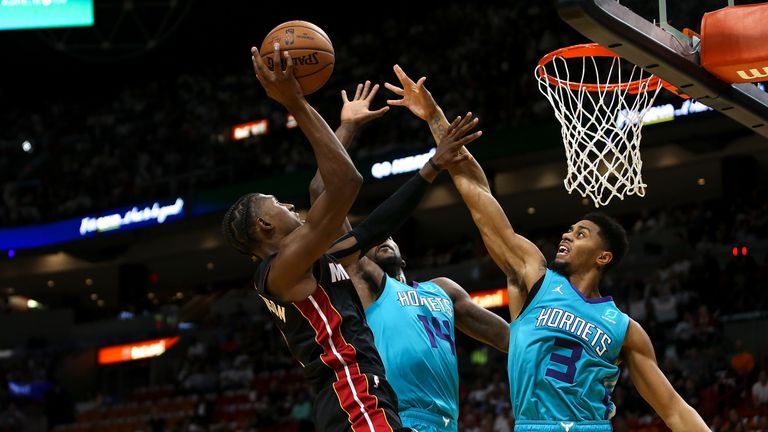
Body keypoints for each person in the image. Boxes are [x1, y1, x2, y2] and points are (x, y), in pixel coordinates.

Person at [384, 64, 709, 432]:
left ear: (604, 257)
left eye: (582, 233)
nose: (567, 235)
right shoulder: (533, 278)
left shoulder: (625, 329)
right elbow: (478, 195)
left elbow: (673, 408)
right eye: (569, 230)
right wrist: (434, 117)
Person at [222, 45, 470, 432]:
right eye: (276, 204)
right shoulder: (280, 272)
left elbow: (367, 224)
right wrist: (295, 102)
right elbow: (344, 183)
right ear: (264, 227)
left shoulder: (314, 259)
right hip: (353, 399)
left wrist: (430, 163)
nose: (288, 204)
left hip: (363, 399)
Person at [307, 81, 510, 432]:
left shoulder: (443, 290)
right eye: (370, 240)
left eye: (387, 235)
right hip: (391, 418)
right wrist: (348, 127)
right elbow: (320, 190)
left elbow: (510, 340)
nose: (380, 239)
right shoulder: (366, 279)